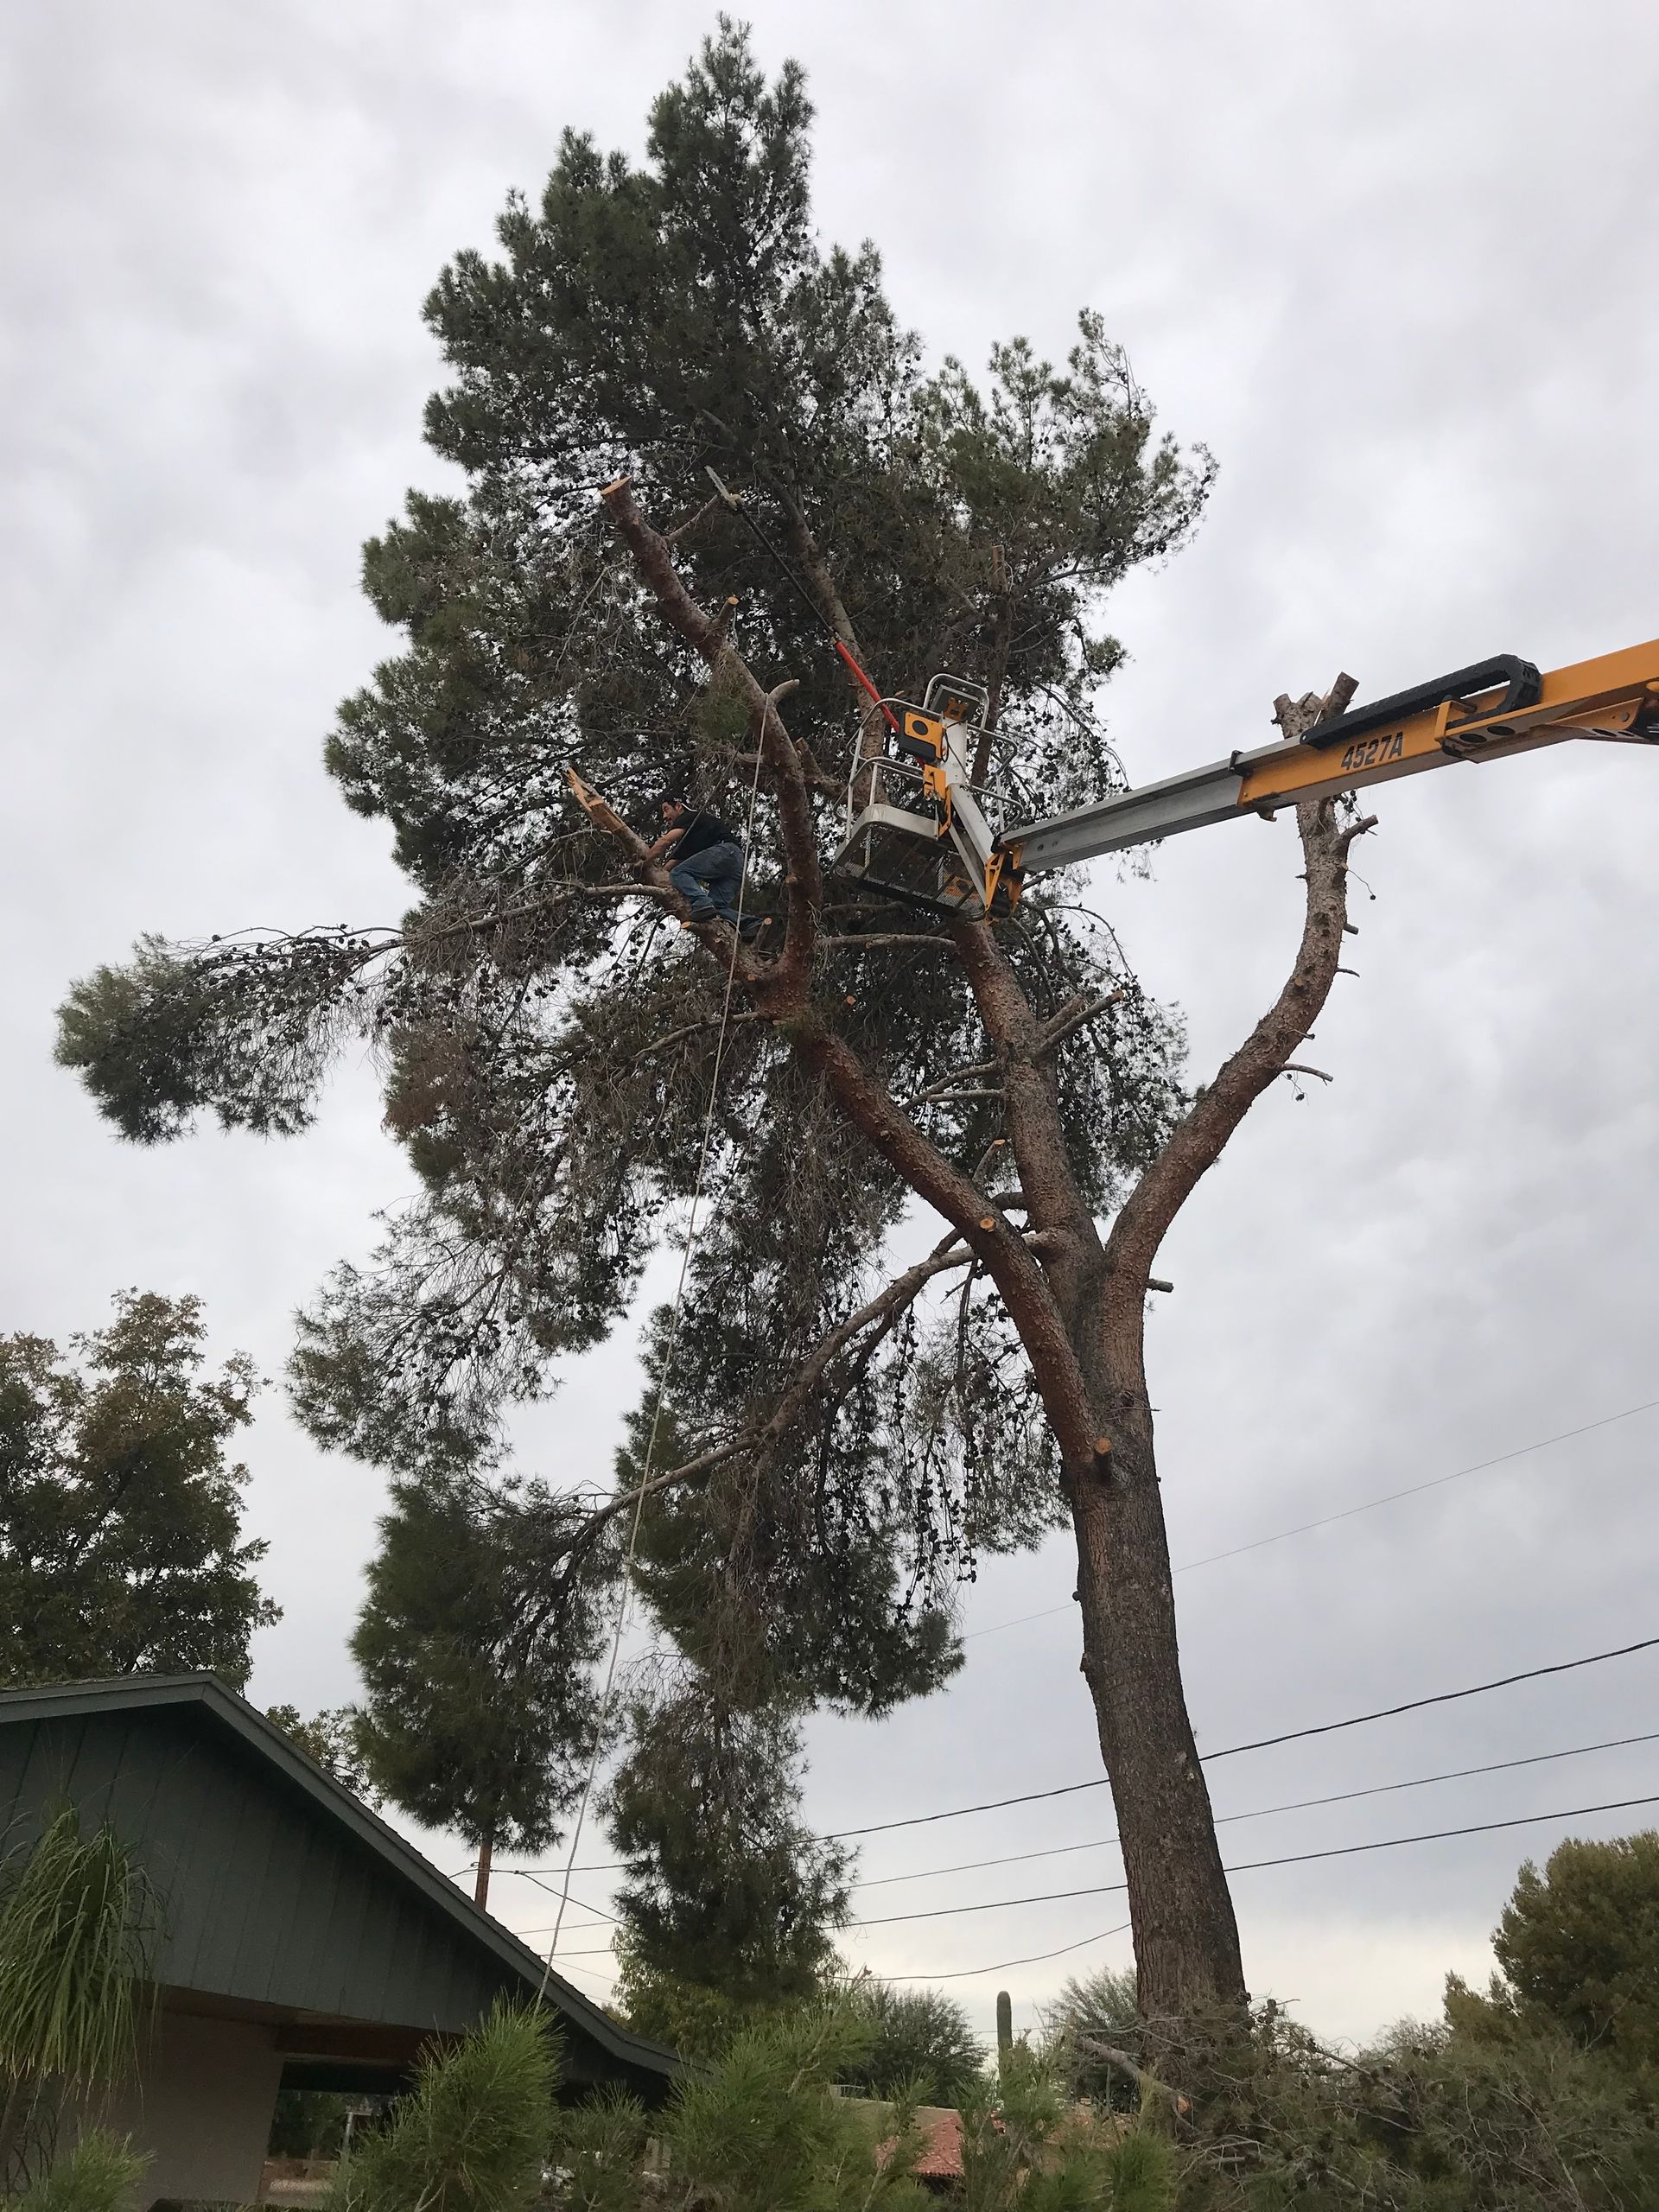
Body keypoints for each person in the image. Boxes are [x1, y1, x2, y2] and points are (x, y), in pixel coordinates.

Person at [646, 796, 763, 938]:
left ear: (678, 806)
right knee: (717, 907)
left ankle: (701, 902)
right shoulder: (690, 836)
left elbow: (665, 842)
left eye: (666, 809)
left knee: (678, 874)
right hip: (735, 860)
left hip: (725, 851)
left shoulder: (688, 817)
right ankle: (750, 923)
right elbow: (671, 864)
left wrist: (643, 862)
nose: (665, 816)